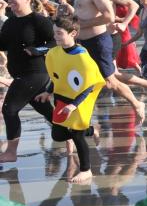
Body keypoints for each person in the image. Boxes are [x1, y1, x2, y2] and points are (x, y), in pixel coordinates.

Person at [72, 0, 146, 122]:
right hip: (84, 43)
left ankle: (137, 103)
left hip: (98, 42)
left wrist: (82, 25)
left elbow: (108, 16)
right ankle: (84, 118)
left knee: (110, 82)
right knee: (84, 79)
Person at [37, 14, 105, 184]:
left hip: (79, 100)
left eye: (59, 33)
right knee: (58, 135)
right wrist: (48, 92)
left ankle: (86, 170)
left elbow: (90, 84)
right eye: (54, 33)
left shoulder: (82, 57)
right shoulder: (54, 52)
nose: (55, 36)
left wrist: (74, 105)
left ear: (73, 33)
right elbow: (57, 76)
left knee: (76, 134)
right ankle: (91, 130)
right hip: (61, 97)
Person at [0, 0, 56, 163]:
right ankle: (81, 133)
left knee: (9, 109)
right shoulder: (10, 22)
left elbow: (56, 42)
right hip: (21, 74)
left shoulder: (38, 20)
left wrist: (38, 49)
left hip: (35, 73)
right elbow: (3, 44)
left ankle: (11, 152)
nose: (9, 0)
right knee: (48, 112)